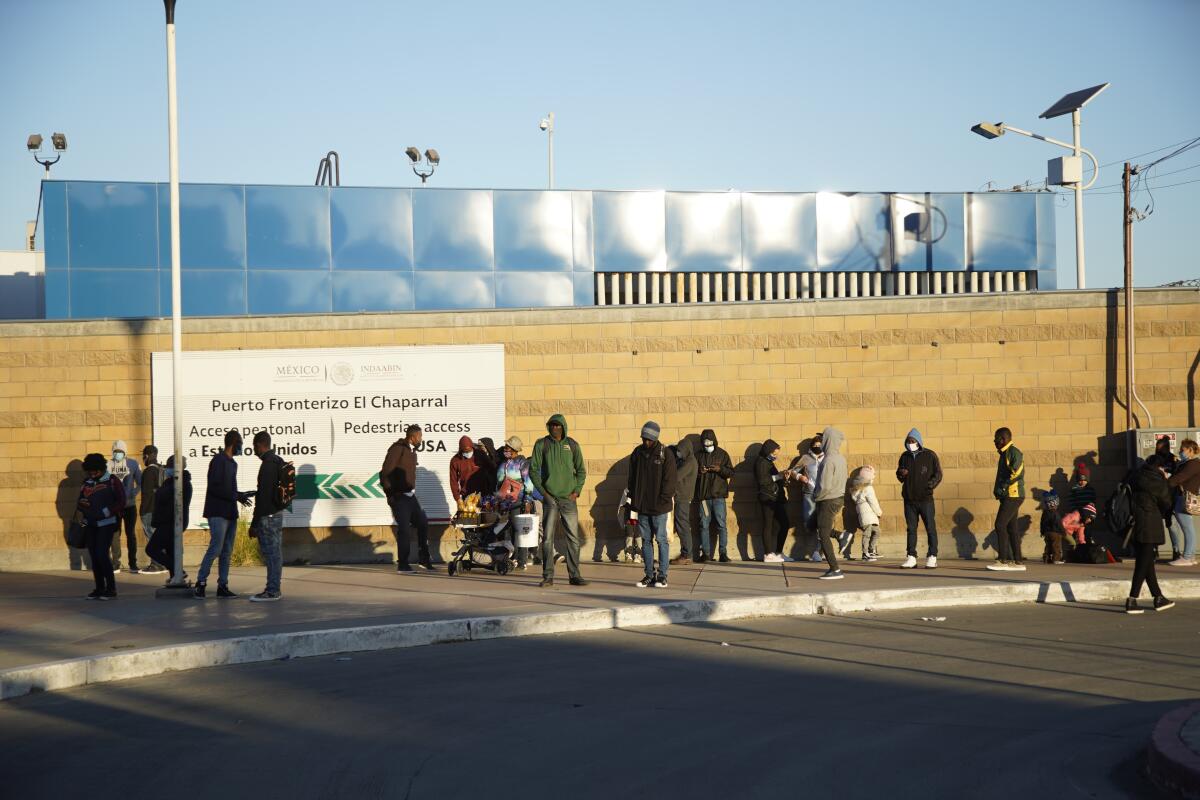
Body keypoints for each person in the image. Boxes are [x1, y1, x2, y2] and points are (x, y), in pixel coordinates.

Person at [531, 414, 588, 588]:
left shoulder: (572, 445)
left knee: (573, 538)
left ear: (563, 427)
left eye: (558, 426)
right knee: (547, 538)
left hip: (569, 499)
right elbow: (533, 471)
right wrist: (544, 494)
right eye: (552, 426)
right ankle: (548, 576)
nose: (555, 428)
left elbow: (581, 471)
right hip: (550, 500)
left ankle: (574, 575)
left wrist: (576, 492)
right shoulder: (542, 444)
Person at [197, 430, 253, 598]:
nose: (241, 448)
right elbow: (214, 488)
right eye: (240, 444)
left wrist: (241, 495)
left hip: (230, 512)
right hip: (217, 512)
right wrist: (236, 495)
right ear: (233, 443)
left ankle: (223, 585)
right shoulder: (218, 461)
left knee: (227, 551)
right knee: (216, 549)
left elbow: (230, 490)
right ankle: (201, 583)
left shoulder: (233, 464)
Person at [628, 421, 677, 588]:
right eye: (644, 439)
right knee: (646, 540)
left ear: (655, 439)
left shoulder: (665, 454)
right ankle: (649, 575)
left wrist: (663, 499)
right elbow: (632, 478)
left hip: (659, 507)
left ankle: (662, 576)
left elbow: (670, 481)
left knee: (661, 540)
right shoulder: (637, 453)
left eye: (649, 439)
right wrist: (634, 500)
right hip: (642, 507)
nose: (646, 442)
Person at [1125, 454, 1175, 614]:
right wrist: (1166, 481)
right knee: (1142, 563)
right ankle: (1132, 599)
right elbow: (1167, 502)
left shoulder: (1137, 475)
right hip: (1149, 523)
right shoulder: (1157, 480)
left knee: (1147, 562)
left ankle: (1158, 598)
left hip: (1136, 523)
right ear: (1159, 467)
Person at [381, 424, 433, 573]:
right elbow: (385, 472)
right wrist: (392, 494)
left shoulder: (412, 451)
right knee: (404, 529)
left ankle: (424, 559)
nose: (421, 439)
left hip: (410, 496)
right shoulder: (398, 449)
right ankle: (403, 564)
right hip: (399, 496)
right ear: (412, 437)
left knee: (422, 522)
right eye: (420, 436)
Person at [77, 452, 125, 600]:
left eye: (95, 471)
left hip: (107, 524)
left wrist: (107, 511)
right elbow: (80, 501)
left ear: (101, 468)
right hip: (91, 524)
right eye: (89, 471)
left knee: (102, 555)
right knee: (94, 556)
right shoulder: (87, 483)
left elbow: (121, 500)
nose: (92, 474)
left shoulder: (112, 480)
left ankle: (111, 588)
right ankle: (99, 588)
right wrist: (83, 506)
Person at [248, 431, 287, 602]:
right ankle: (274, 588)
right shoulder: (278, 461)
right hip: (277, 513)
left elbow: (263, 497)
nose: (253, 450)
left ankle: (272, 591)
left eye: (254, 446)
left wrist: (254, 524)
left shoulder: (267, 465)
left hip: (268, 516)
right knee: (276, 553)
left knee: (271, 554)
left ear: (259, 445)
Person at [804, 427, 847, 579]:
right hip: (836, 498)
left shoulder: (828, 460)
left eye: (823, 439)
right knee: (810, 524)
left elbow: (825, 485)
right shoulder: (840, 458)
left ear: (829, 440)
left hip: (826, 500)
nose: (821, 442)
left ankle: (835, 569)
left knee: (823, 533)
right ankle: (841, 536)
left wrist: (816, 496)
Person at [896, 428, 942, 569]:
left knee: (930, 528)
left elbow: (938, 474)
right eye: (908, 441)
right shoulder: (904, 456)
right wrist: (901, 474)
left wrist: (930, 485)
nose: (910, 443)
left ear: (919, 442)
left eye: (913, 441)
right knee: (911, 529)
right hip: (909, 500)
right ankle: (911, 557)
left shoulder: (930, 455)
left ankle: (932, 556)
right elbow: (899, 475)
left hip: (925, 499)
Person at [496, 436, 541, 570]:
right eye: (505, 448)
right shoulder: (504, 464)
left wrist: (527, 500)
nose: (506, 450)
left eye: (508, 448)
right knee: (509, 530)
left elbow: (528, 482)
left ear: (515, 450)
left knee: (519, 530)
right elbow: (498, 482)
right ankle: (514, 556)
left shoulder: (522, 463)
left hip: (518, 500)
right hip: (505, 501)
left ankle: (522, 560)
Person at [146, 455, 192, 584]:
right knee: (171, 550)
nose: (167, 470)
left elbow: (172, 503)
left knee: (151, 549)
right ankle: (175, 577)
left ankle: (178, 571)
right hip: (166, 521)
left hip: (170, 522)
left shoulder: (182, 484)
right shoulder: (170, 482)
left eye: (170, 467)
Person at [987, 427, 1026, 572]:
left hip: (1013, 495)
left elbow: (1016, 472)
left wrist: (1002, 488)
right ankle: (1018, 561)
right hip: (1008, 495)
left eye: (996, 439)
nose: (994, 442)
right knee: (1012, 528)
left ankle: (1003, 559)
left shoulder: (1013, 452)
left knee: (1000, 524)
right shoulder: (1004, 454)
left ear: (1003, 439)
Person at [694, 428, 734, 563]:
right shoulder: (698, 455)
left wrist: (720, 469)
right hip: (703, 497)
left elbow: (730, 472)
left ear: (714, 442)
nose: (708, 447)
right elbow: (691, 474)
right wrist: (700, 472)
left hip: (718, 496)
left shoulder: (722, 454)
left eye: (710, 444)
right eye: (705, 445)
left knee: (721, 524)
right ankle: (705, 554)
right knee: (703, 525)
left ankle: (723, 553)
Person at [107, 440, 143, 573]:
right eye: (116, 452)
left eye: (120, 452)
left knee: (130, 534)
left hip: (129, 505)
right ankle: (116, 563)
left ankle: (133, 563)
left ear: (125, 452)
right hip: (115, 506)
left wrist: (133, 493)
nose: (118, 454)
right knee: (115, 534)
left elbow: (140, 482)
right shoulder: (108, 465)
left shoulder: (133, 464)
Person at [787, 435, 824, 561]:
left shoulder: (827, 458)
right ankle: (815, 550)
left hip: (824, 495)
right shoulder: (805, 458)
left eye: (820, 445)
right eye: (815, 445)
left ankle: (817, 551)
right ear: (811, 446)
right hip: (809, 494)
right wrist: (800, 477)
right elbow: (793, 471)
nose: (817, 448)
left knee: (823, 523)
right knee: (809, 523)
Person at [755, 439, 791, 562]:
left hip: (776, 497)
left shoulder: (769, 462)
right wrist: (779, 476)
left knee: (785, 524)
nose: (775, 456)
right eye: (774, 453)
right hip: (767, 498)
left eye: (777, 454)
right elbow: (763, 481)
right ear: (768, 451)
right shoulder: (760, 462)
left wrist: (784, 478)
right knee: (768, 525)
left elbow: (776, 480)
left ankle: (779, 553)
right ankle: (768, 554)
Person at [1167, 439, 1200, 566]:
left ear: (1190, 450)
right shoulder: (1189, 463)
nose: (1180, 452)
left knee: (1187, 529)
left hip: (1184, 497)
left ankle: (1186, 557)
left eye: (1182, 450)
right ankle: (1190, 556)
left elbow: (1180, 478)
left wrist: (1168, 478)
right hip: (1183, 497)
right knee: (1188, 528)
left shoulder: (1193, 464)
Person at [138, 445, 168, 575]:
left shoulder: (148, 472)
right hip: (159, 510)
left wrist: (142, 511)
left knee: (152, 538)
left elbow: (147, 494)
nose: (143, 458)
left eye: (144, 455)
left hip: (149, 510)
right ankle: (164, 563)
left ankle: (156, 564)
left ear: (148, 455)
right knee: (158, 537)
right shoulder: (161, 470)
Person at [668, 437, 698, 565]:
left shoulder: (690, 462)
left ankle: (687, 554)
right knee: (681, 525)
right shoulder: (686, 460)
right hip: (681, 497)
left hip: (683, 497)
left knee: (683, 526)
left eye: (680, 450)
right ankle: (685, 553)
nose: (678, 452)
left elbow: (677, 476)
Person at [449, 435, 496, 503]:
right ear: (461, 449)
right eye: (465, 451)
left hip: (483, 494)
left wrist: (491, 489)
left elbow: (491, 469)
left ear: (472, 447)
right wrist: (457, 498)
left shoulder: (480, 455)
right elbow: (453, 481)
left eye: (469, 450)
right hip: (467, 496)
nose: (468, 453)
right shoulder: (455, 460)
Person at [849, 465, 882, 561]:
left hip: (865, 514)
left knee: (876, 531)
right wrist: (879, 512)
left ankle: (871, 551)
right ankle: (865, 553)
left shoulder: (857, 489)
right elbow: (873, 501)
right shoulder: (868, 488)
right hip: (868, 514)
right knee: (867, 533)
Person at [1040, 490, 1065, 564]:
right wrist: (1063, 532)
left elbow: (1042, 523)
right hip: (1055, 532)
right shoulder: (1056, 513)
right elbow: (1059, 523)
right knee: (1056, 546)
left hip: (1047, 532)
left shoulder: (1044, 513)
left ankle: (1046, 558)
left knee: (1048, 546)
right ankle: (1056, 559)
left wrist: (1042, 531)